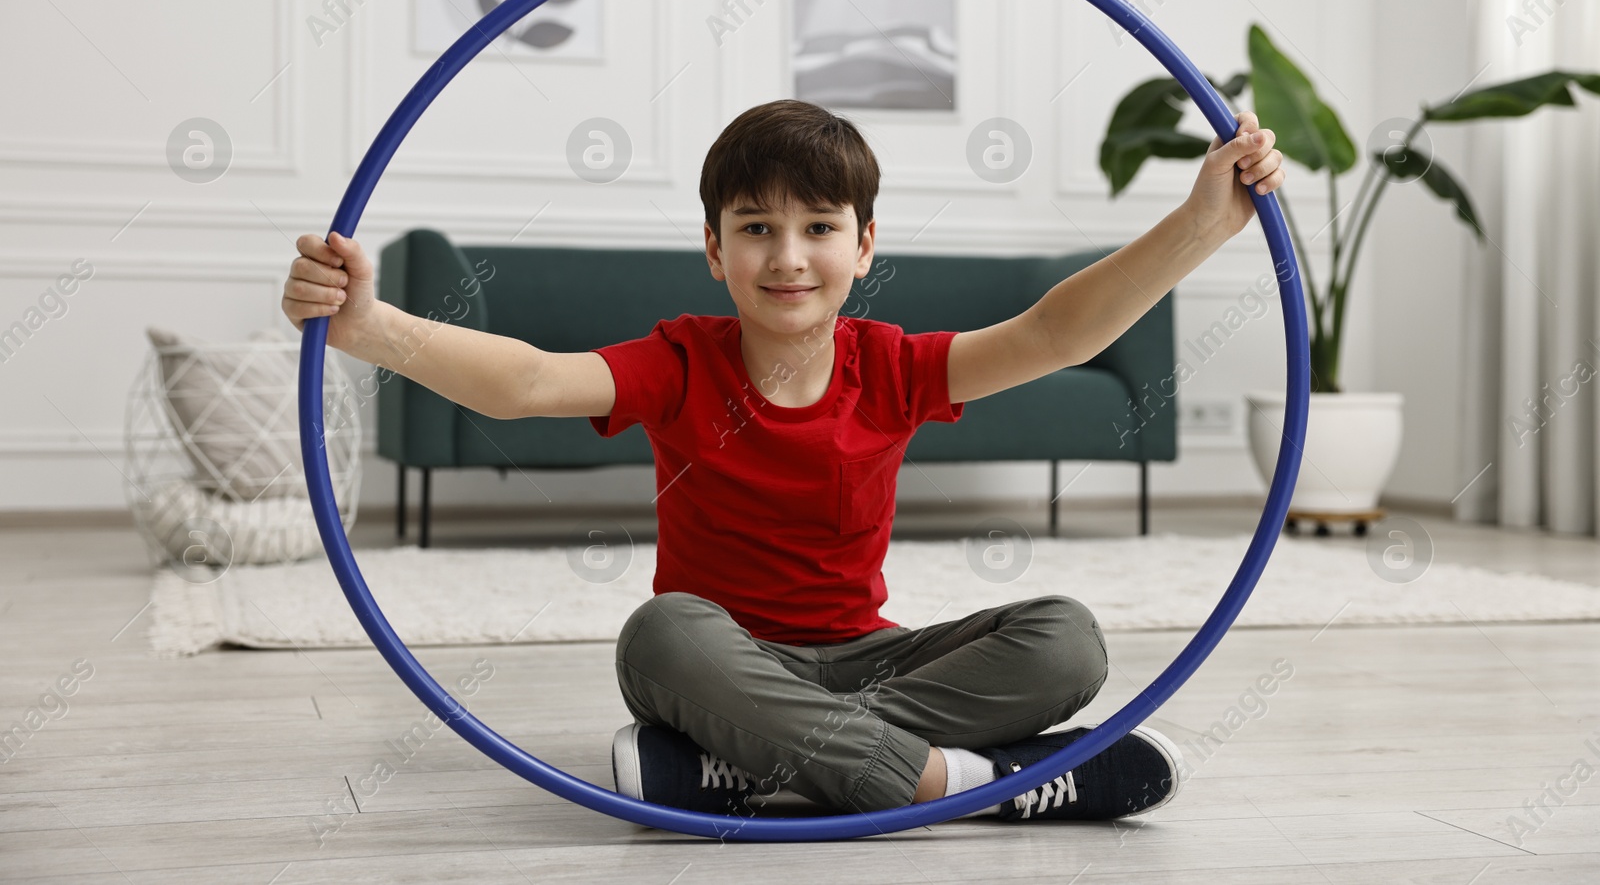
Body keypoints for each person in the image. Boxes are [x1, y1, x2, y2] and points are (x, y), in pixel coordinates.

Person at [281, 98, 1284, 824]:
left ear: (863, 245)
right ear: (715, 249)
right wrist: (367, 324)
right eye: (756, 228)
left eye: (817, 228)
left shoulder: (889, 366)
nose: (787, 255)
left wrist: (1201, 222)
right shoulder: (681, 360)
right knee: (658, 634)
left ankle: (758, 765)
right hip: (722, 659)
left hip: (864, 661)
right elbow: (529, 381)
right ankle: (973, 784)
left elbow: (1056, 333)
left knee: (1068, 639)